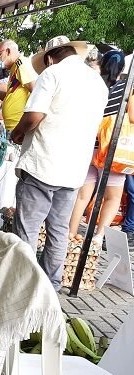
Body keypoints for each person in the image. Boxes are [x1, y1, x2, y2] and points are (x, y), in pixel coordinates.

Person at [11, 36, 108, 291]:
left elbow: (33, 116)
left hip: (43, 164)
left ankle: (24, 286)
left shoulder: (52, 74)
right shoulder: (98, 82)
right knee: (58, 232)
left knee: (27, 231)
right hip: (74, 170)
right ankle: (50, 288)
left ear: (51, 57)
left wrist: (17, 133)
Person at [69, 50, 129, 244]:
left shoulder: (94, 86)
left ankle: (70, 232)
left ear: (102, 65)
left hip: (90, 146)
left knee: (82, 194)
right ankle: (98, 236)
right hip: (112, 150)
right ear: (121, 69)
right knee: (113, 197)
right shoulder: (127, 88)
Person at [0, 40, 38, 132]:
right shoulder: (15, 68)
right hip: (13, 126)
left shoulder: (20, 64)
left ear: (8, 51)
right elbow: (9, 97)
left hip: (18, 126)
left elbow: (36, 92)